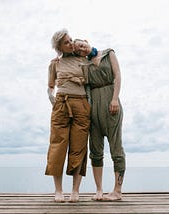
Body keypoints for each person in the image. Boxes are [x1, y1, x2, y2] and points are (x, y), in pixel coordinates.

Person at [73, 39, 126, 201]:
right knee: (95, 152)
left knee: (116, 149)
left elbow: (117, 76)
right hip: (93, 109)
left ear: (86, 41)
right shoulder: (84, 65)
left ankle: (117, 191)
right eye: (78, 50)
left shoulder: (108, 53)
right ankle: (99, 190)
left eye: (82, 45)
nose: (82, 49)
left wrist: (115, 98)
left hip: (112, 106)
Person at [45, 29, 91, 203]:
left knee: (78, 147)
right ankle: (58, 191)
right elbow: (50, 87)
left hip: (81, 104)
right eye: (66, 42)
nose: (71, 43)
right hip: (61, 104)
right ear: (59, 47)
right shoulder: (54, 63)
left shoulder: (83, 60)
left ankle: (75, 191)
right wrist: (53, 100)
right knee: (57, 146)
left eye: (71, 39)